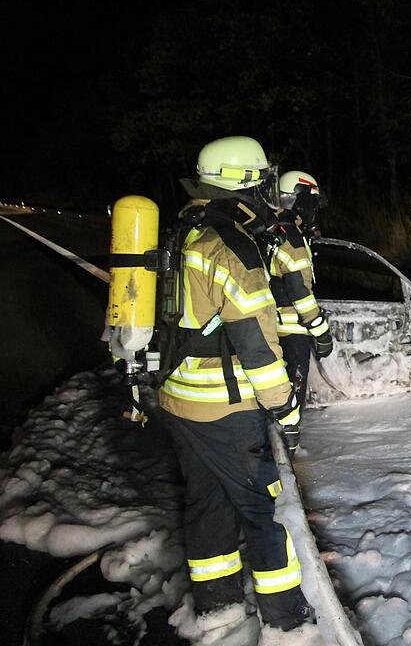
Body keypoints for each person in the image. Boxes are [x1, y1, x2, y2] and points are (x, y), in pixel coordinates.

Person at [157, 136, 313, 634]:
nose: (268, 190)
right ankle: (288, 623)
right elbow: (256, 343)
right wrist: (285, 406)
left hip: (179, 399)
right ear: (244, 183)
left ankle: (217, 607)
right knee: (265, 511)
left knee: (207, 505)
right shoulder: (232, 246)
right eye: (262, 180)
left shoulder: (184, 231)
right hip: (224, 408)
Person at [265, 171, 333, 425]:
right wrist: (321, 333)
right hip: (291, 332)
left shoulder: (274, 230)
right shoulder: (291, 238)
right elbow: (299, 292)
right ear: (301, 200)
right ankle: (287, 445)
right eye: (313, 202)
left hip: (271, 328)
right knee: (291, 400)